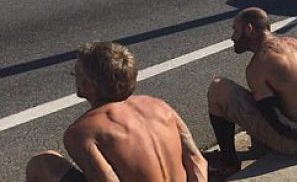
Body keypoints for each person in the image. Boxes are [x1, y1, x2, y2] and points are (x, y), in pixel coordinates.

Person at [26, 42, 207, 182]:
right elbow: (196, 160)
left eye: (76, 73)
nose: (73, 76)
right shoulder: (161, 107)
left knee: (44, 163)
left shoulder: (82, 133)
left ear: (88, 84)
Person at [206, 7, 297, 179]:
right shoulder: (296, 45)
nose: (232, 37)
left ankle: (228, 163)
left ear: (249, 30)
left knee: (218, 88)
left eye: (235, 30)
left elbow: (277, 122)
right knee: (263, 97)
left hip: (296, 142)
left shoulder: (259, 64)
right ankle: (260, 146)